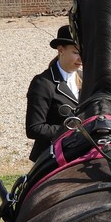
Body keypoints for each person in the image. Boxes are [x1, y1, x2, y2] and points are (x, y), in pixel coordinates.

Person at [25, 24, 83, 160]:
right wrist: (74, 129)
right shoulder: (42, 83)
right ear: (61, 50)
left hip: (81, 150)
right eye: (76, 52)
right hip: (51, 156)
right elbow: (34, 128)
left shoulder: (85, 78)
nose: (81, 58)